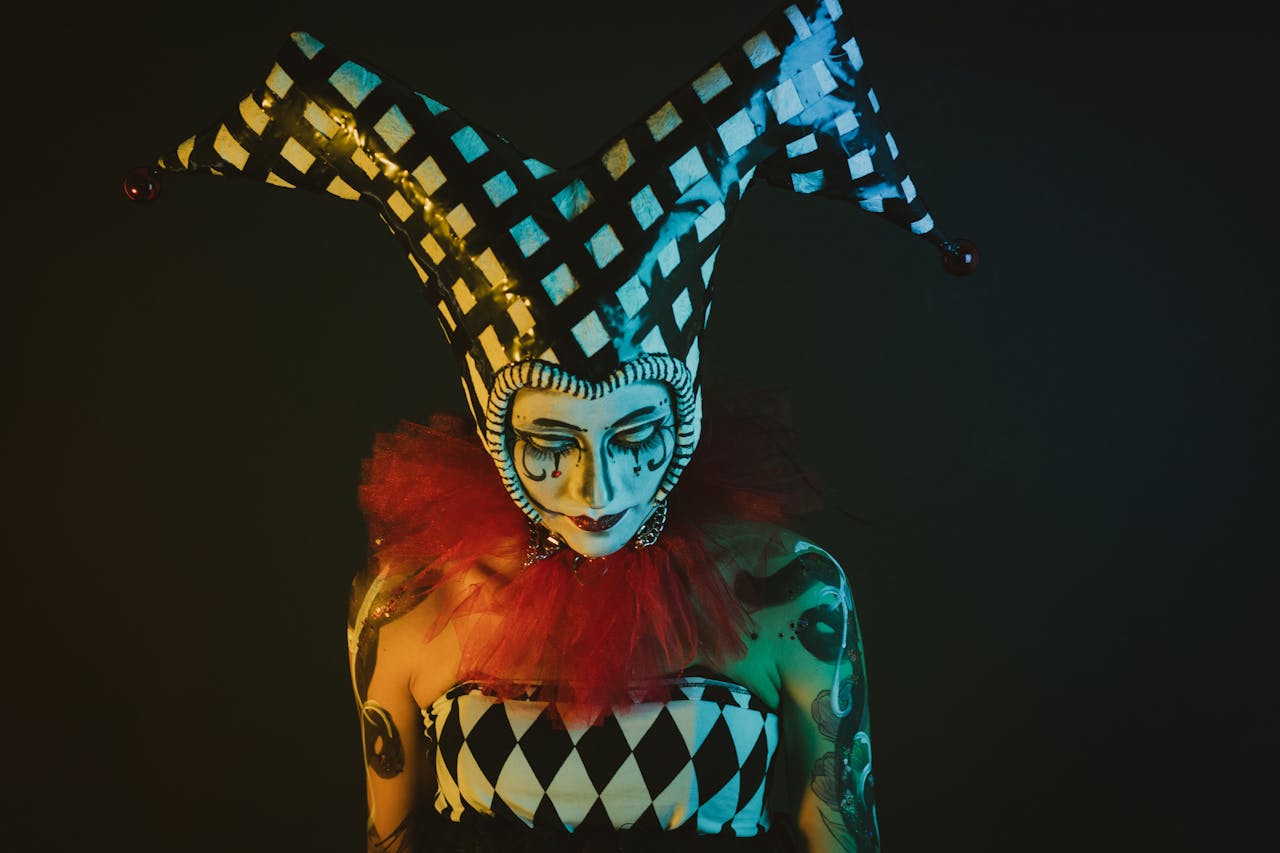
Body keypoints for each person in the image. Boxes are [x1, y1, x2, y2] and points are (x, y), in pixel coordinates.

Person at [125, 2, 976, 849]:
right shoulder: (408, 608)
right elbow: (389, 840)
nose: (596, 490)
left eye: (634, 435)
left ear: (682, 420)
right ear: (500, 433)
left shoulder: (796, 600)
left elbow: (841, 830)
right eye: (551, 443)